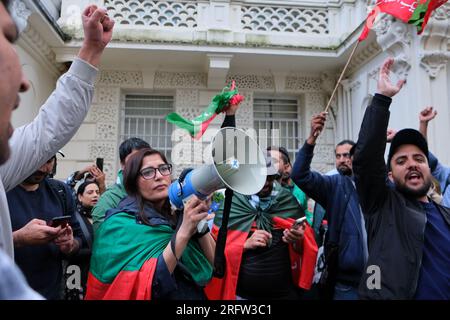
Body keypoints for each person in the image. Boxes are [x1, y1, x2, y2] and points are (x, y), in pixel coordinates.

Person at [0, 1, 113, 298]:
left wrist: (91, 49)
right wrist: (16, 240)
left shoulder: (57, 192)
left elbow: (50, 130)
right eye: (7, 38)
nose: (24, 82)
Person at [353, 57, 450, 299]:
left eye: (419, 158)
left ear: (429, 168)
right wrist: (382, 100)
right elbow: (365, 161)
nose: (412, 164)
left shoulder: (445, 214)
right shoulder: (383, 206)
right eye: (401, 161)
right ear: (389, 175)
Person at [85, 148, 216, 299]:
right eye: (148, 172)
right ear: (133, 182)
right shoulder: (120, 224)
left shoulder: (177, 214)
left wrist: (198, 223)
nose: (159, 176)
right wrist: (184, 232)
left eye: (164, 169)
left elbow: (217, 267)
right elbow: (154, 283)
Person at [205, 155, 313, 300]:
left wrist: (296, 239)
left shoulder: (287, 201)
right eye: (260, 178)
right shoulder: (233, 203)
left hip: (284, 294)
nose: (265, 183)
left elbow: (304, 248)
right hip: (242, 296)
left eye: (269, 178)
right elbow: (214, 251)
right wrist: (244, 245)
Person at [291, 115, 367, 300]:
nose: (342, 160)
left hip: (377, 279)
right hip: (345, 284)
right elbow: (300, 174)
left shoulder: (376, 187)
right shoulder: (334, 185)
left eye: (347, 155)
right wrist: (312, 138)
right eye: (338, 156)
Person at [7, 155, 84, 299]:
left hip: (51, 293)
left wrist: (70, 245)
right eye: (37, 160)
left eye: (49, 161)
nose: (43, 169)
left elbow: (79, 238)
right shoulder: (3, 191)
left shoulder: (60, 191)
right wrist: (18, 238)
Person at [91, 137, 151, 233]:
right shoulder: (107, 201)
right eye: (134, 159)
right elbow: (104, 241)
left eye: (145, 158)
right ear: (123, 164)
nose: (141, 164)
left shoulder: (156, 193)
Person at [65, 180, 99, 299]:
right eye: (90, 192)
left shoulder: (100, 218)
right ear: (80, 197)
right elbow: (68, 250)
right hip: (76, 273)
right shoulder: (74, 219)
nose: (95, 195)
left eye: (97, 192)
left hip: (96, 274)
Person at [267, 146, 312, 223]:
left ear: (286, 166)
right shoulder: (252, 193)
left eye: (274, 161)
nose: (269, 164)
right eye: (266, 160)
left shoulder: (290, 197)